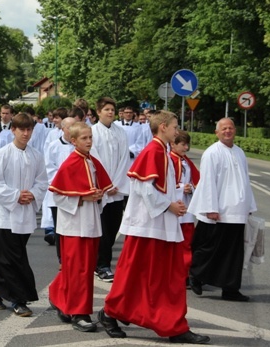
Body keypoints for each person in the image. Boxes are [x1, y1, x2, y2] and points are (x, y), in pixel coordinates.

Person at [98, 110, 210, 345]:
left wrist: (172, 203)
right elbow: (145, 189)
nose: (176, 130)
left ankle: (173, 324)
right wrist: (169, 205)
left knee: (165, 278)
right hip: (148, 227)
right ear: (163, 127)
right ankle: (111, 312)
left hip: (160, 225)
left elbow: (157, 188)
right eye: (174, 126)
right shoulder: (154, 151)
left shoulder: (162, 151)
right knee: (138, 276)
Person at [48, 122, 113, 332]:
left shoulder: (92, 162)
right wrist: (83, 198)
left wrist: (98, 195)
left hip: (90, 221)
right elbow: (57, 195)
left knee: (82, 268)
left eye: (90, 137)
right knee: (79, 269)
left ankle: (58, 295)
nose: (89, 141)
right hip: (74, 225)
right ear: (73, 141)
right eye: (84, 138)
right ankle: (79, 313)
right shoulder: (70, 163)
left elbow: (100, 187)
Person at [0, 113, 49, 317]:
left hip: (25, 213)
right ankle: (19, 299)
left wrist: (33, 194)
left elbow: (42, 181)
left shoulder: (36, 155)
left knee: (11, 256)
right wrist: (15, 196)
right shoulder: (2, 154)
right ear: (13, 130)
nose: (26, 133)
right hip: (5, 215)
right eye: (22, 129)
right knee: (14, 259)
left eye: (29, 129)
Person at [188, 118, 257, 302]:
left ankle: (230, 289)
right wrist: (210, 208)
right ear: (217, 133)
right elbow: (208, 181)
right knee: (210, 248)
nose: (228, 131)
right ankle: (195, 275)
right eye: (224, 128)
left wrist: (249, 205)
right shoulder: (212, 153)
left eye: (231, 128)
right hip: (219, 209)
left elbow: (245, 180)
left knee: (234, 253)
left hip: (237, 210)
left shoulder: (239, 152)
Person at [90, 97, 131, 282]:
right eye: (106, 109)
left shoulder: (120, 132)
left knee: (114, 226)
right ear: (98, 112)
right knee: (102, 228)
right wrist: (106, 185)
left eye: (112, 109)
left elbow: (124, 159)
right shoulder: (93, 132)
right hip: (102, 188)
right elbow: (94, 159)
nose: (110, 112)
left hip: (117, 187)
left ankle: (102, 263)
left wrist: (117, 183)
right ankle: (101, 265)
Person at [169, 130, 200, 285]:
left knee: (187, 242)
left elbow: (197, 180)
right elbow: (165, 185)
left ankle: (185, 274)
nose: (186, 148)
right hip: (174, 207)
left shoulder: (186, 161)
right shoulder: (169, 160)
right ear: (173, 144)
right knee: (175, 244)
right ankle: (176, 274)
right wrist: (182, 188)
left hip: (186, 206)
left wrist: (190, 189)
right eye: (183, 144)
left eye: (187, 144)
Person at [42, 117, 76, 256]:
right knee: (60, 229)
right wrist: (64, 181)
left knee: (74, 229)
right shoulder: (54, 146)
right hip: (59, 192)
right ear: (62, 129)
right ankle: (62, 259)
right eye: (70, 127)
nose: (73, 130)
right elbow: (49, 169)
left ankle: (73, 256)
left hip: (76, 193)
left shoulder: (79, 146)